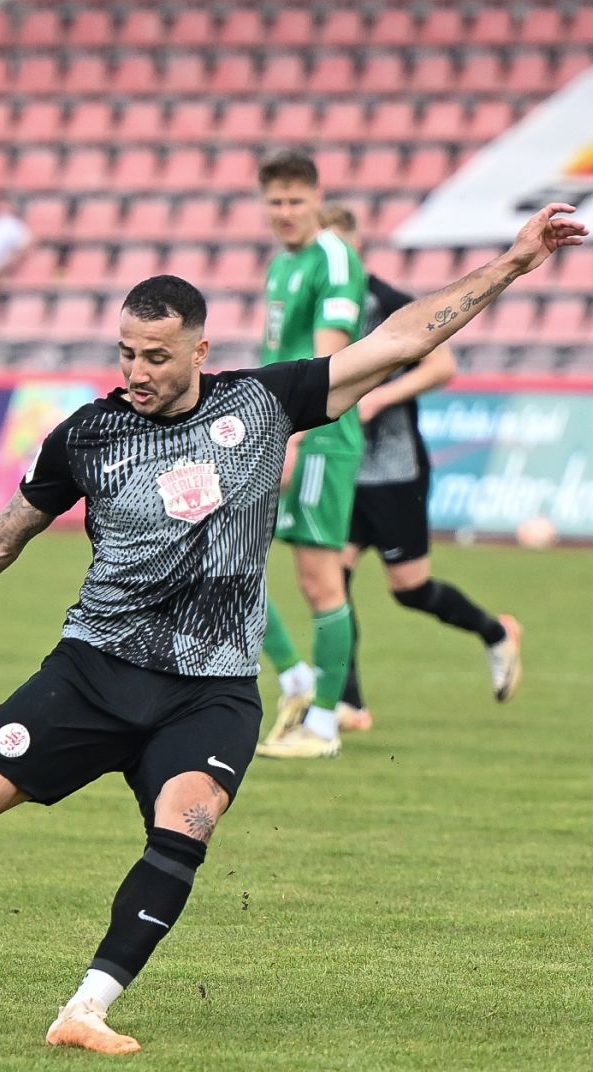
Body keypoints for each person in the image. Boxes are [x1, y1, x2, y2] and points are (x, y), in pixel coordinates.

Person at [0, 203, 588, 1056]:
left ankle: (85, 1009)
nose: (137, 371)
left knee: (188, 822)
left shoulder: (263, 403)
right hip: (95, 670)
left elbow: (398, 340)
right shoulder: (87, 435)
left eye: (156, 355)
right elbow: (2, 537)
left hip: (213, 688)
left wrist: (514, 262)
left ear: (198, 351)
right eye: (126, 353)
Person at [321, 204, 521, 732]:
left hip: (394, 469)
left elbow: (442, 365)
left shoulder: (385, 303)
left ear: (355, 250)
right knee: (331, 579)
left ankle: (496, 632)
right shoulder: (319, 306)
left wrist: (381, 397)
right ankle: (349, 702)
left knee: (410, 588)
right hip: (344, 468)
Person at [251, 152, 368, 760]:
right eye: (275, 201)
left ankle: (323, 724)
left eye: (296, 200)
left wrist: (292, 438)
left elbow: (328, 365)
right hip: (279, 428)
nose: (285, 212)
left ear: (318, 199)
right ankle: (296, 679)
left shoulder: (334, 259)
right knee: (232, 559)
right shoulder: (282, 264)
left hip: (318, 437)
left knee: (320, 581)